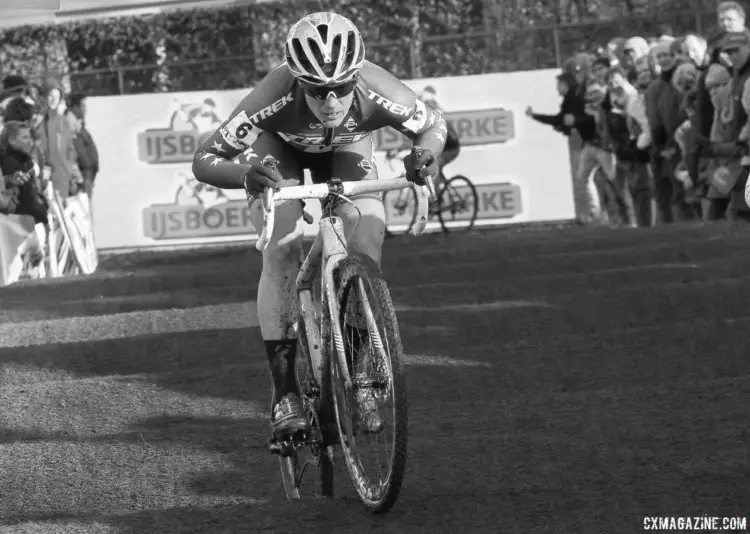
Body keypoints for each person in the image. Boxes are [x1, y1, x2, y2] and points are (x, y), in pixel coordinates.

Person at [192, 12, 446, 441]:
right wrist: (245, 176)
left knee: (369, 231)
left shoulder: (377, 88)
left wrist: (425, 157)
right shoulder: (271, 96)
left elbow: (433, 126)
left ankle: (362, 357)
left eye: (342, 89)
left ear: (355, 78)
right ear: (297, 82)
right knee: (282, 246)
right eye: (317, 91)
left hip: (349, 149)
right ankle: (285, 391)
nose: (331, 102)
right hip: (279, 155)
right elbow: (205, 159)